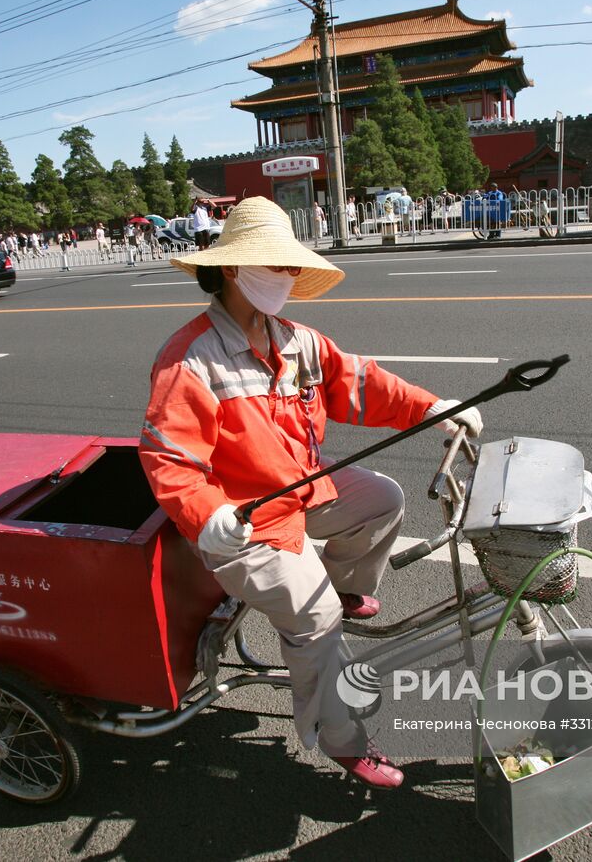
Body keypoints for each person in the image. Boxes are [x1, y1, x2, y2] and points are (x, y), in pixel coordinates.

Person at [139, 197, 482, 790]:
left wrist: (432, 408)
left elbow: (362, 385)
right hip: (243, 525)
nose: (287, 275)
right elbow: (170, 459)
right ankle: (342, 739)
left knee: (382, 497)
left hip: (300, 492)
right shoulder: (190, 360)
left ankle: (347, 590)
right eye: (274, 264)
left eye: (290, 264)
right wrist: (208, 516)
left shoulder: (297, 341)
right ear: (230, 270)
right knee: (317, 620)